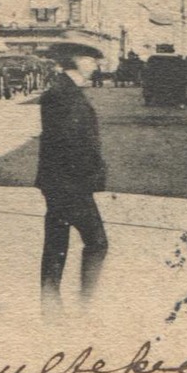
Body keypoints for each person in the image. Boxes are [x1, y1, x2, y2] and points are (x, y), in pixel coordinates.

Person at [36, 41, 109, 315]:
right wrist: (89, 173)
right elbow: (70, 142)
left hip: (59, 181)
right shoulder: (63, 94)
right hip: (70, 183)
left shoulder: (63, 91)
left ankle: (50, 307)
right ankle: (85, 306)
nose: (96, 65)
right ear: (76, 60)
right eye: (91, 59)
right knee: (97, 242)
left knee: (56, 242)